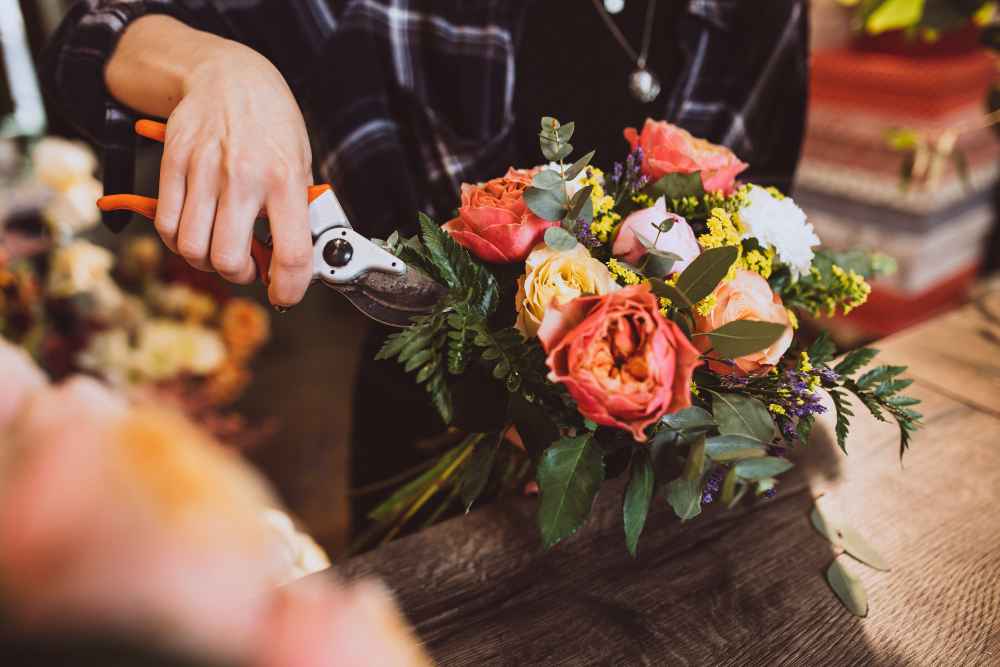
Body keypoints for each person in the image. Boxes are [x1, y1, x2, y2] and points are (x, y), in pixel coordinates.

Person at [42, 0, 809, 524]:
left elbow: (764, 224)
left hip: (678, 479)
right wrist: (217, 69)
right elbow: (93, 31)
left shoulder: (763, 14)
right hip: (427, 440)